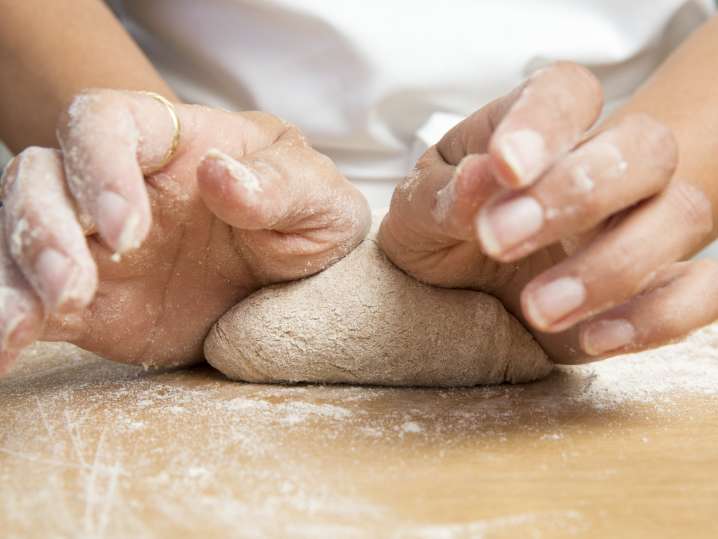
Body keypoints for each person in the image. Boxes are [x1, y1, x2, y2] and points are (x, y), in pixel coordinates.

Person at [1, 0, 718, 374]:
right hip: (224, 192)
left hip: (585, 162)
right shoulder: (204, 211)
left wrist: (620, 203)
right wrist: (153, 184)